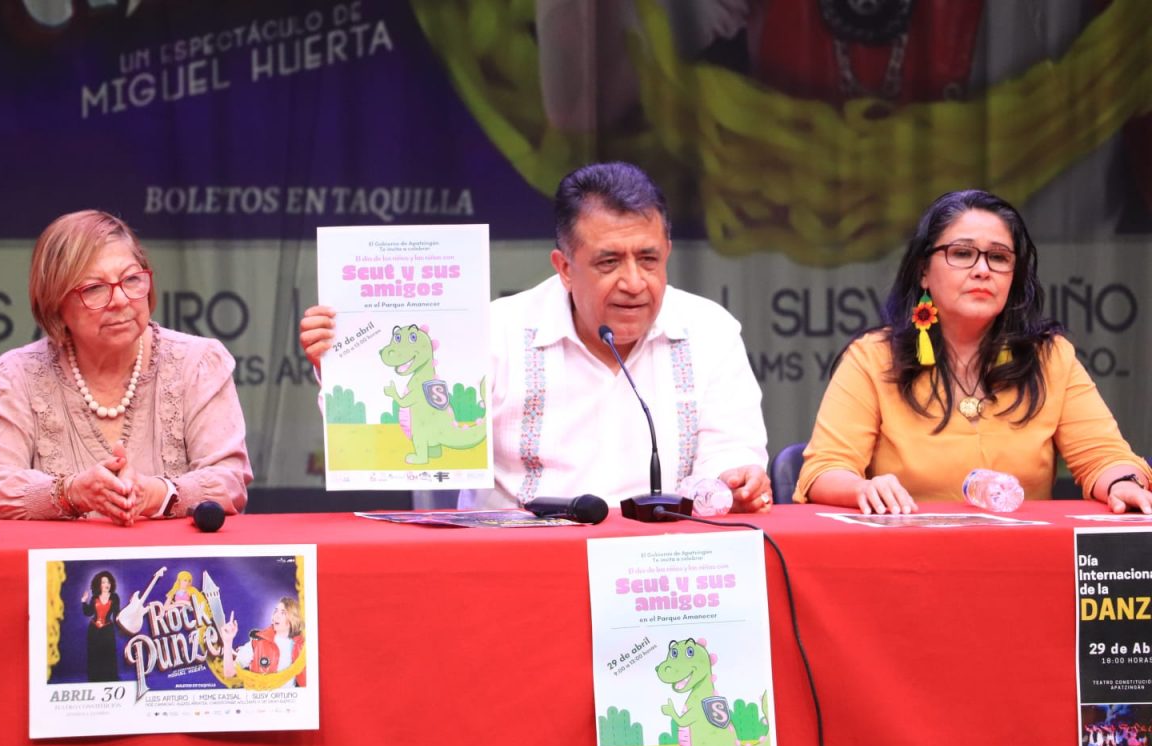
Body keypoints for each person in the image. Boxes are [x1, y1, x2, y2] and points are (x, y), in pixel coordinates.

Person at [300, 162, 772, 511]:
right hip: (514, 564)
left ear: (667, 251)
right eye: (609, 262)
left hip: (660, 560)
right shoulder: (496, 332)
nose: (633, 282)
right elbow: (401, 440)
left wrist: (734, 480)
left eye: (648, 259)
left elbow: (731, 450)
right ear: (564, 267)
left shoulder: (709, 330)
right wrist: (344, 369)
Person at [795, 189, 1152, 514]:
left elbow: (1104, 456)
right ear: (923, 271)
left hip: (1024, 554)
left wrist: (1122, 484)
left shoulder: (1050, 358)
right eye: (962, 253)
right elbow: (824, 470)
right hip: (909, 555)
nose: (982, 270)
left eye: (998, 257)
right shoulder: (873, 358)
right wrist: (862, 488)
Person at [0, 210, 253, 524]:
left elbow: (229, 481)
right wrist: (69, 494)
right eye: (94, 288)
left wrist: (156, 494)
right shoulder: (15, 376)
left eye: (132, 280)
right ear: (55, 304)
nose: (120, 300)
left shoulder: (198, 363)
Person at [219, 597, 307, 688]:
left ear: (293, 619)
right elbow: (229, 673)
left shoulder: (303, 647)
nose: (276, 616)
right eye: (276, 611)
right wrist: (228, 641)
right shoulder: (257, 643)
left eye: (283, 613)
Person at [81, 570, 119, 682]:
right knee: (94, 655)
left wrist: (129, 609)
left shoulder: (115, 597)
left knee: (108, 655)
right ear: (99, 584)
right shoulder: (94, 598)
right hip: (94, 631)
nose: (106, 584)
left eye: (108, 582)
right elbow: (88, 613)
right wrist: (83, 602)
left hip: (107, 630)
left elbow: (117, 615)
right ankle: (95, 678)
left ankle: (109, 678)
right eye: (103, 582)